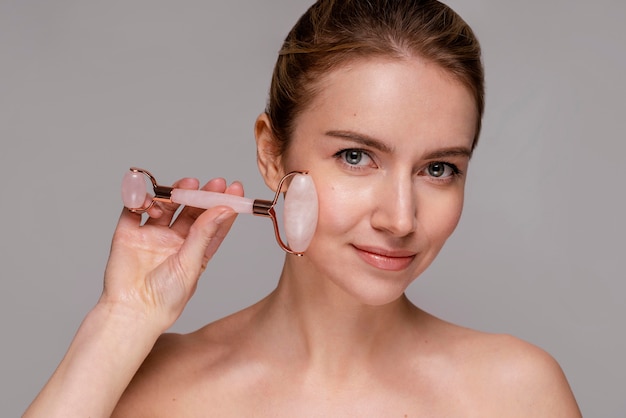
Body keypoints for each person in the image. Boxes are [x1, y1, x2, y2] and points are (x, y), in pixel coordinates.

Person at [25, 0, 582, 416]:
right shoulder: (154, 392)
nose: (401, 219)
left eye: (439, 169)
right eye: (357, 156)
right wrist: (121, 321)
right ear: (272, 155)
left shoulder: (519, 394)